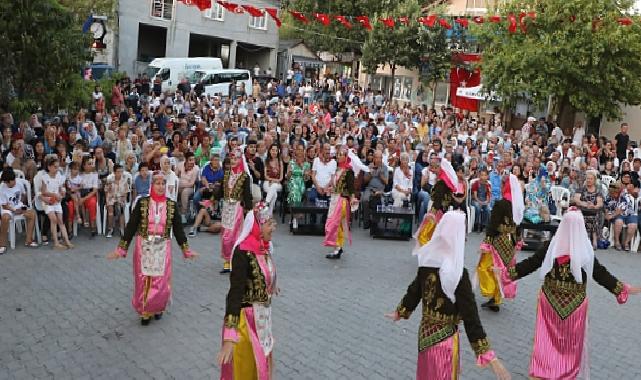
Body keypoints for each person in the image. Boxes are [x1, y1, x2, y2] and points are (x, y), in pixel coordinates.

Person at [506, 209, 640, 379]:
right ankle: (565, 373)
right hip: (574, 305)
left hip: (550, 302)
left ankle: (544, 370)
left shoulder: (551, 246)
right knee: (570, 344)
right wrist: (621, 289)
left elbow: (531, 264)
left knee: (546, 340)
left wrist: (506, 274)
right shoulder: (585, 250)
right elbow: (600, 274)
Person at [386, 211, 511, 380]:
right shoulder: (458, 273)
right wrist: (488, 354)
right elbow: (470, 315)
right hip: (445, 340)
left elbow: (414, 291)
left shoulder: (427, 261)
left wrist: (401, 311)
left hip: (425, 335)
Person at [107, 171, 198, 325]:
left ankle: (158, 308)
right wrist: (122, 248)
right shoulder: (143, 203)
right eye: (157, 183)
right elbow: (131, 226)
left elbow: (178, 230)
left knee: (160, 280)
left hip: (163, 246)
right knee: (143, 279)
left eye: (163, 183)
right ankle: (145, 311)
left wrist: (186, 249)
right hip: (144, 245)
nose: (161, 187)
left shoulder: (171, 205)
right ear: (152, 185)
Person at [218, 202, 278, 379]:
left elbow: (262, 273)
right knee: (245, 370)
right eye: (269, 224)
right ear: (257, 226)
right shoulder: (242, 252)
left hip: (263, 320)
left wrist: (272, 283)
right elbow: (235, 293)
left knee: (261, 368)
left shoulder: (262, 247)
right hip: (246, 324)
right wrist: (230, 336)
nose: (273, 228)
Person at [476, 174, 525, 312]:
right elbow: (519, 224)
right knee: (502, 269)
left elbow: (493, 224)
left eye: (503, 184)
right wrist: (518, 241)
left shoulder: (501, 204)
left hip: (498, 240)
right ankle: (496, 299)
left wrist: (487, 240)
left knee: (486, 267)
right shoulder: (518, 205)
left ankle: (491, 292)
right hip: (510, 243)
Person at [220, 148, 253, 274]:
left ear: (240, 160)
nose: (233, 161)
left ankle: (235, 260)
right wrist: (212, 200)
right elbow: (221, 189)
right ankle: (227, 261)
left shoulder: (245, 177)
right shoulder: (227, 174)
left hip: (237, 208)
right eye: (232, 158)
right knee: (225, 235)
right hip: (226, 207)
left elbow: (247, 194)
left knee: (234, 235)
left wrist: (249, 210)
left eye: (236, 158)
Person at [414, 158, 458, 250]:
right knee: (435, 237)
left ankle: (428, 254)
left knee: (424, 235)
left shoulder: (442, 182)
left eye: (434, 168)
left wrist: (432, 214)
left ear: (439, 168)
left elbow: (438, 200)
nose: (432, 170)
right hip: (442, 211)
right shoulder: (444, 181)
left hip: (437, 212)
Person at [324, 147, 356, 259]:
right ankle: (338, 247)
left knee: (335, 224)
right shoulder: (338, 169)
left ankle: (337, 248)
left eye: (341, 154)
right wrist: (330, 188)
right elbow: (336, 185)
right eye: (338, 154)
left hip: (341, 201)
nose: (339, 156)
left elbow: (352, 188)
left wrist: (352, 198)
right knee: (337, 225)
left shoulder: (348, 171)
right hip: (335, 199)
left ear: (346, 157)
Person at [0, 168, 37, 254]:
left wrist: (22, 206)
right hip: (8, 208)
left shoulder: (19, 182)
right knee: (5, 218)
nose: (14, 182)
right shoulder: (2, 188)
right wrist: (14, 210)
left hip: (18, 205)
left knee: (32, 214)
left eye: (14, 179)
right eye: (12, 181)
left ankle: (28, 240)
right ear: (6, 182)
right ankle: (2, 244)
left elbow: (23, 195)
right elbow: (4, 205)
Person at [573, 170, 603, 248]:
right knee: (582, 215)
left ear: (595, 180)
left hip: (593, 211)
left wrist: (594, 206)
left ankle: (594, 239)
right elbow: (576, 200)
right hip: (582, 210)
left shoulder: (598, 191)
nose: (589, 180)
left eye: (591, 179)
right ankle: (585, 239)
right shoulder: (581, 189)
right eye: (587, 178)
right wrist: (586, 204)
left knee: (596, 215)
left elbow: (600, 203)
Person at [361, 150, 388, 229]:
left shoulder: (385, 168)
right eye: (377, 158)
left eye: (380, 158)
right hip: (370, 188)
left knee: (378, 200)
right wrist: (370, 173)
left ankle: (375, 222)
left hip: (380, 189)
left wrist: (380, 175)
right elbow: (365, 180)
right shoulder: (369, 166)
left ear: (382, 158)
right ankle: (366, 222)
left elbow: (386, 182)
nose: (378, 160)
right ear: (374, 158)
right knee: (365, 200)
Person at [104, 164, 130, 238]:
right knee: (110, 210)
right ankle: (110, 229)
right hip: (111, 197)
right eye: (118, 172)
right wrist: (106, 201)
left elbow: (126, 193)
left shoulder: (124, 180)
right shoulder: (110, 180)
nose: (120, 173)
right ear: (114, 172)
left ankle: (122, 229)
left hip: (120, 197)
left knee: (121, 209)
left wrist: (124, 200)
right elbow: (106, 191)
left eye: (121, 172)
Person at [175, 152, 199, 221]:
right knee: (172, 189)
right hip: (179, 187)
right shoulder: (180, 165)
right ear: (186, 160)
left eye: (193, 160)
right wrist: (176, 185)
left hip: (190, 188)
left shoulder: (196, 168)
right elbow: (174, 177)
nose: (192, 162)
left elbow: (191, 183)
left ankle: (183, 214)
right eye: (190, 160)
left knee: (185, 192)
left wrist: (180, 184)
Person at [262, 144, 283, 217]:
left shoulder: (280, 162)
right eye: (272, 150)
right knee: (274, 194)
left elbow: (281, 178)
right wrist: (271, 180)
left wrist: (273, 181)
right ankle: (269, 214)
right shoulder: (266, 161)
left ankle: (265, 204)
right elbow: (265, 176)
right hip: (267, 182)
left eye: (276, 150)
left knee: (274, 186)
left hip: (278, 184)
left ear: (278, 152)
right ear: (269, 151)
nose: (274, 152)